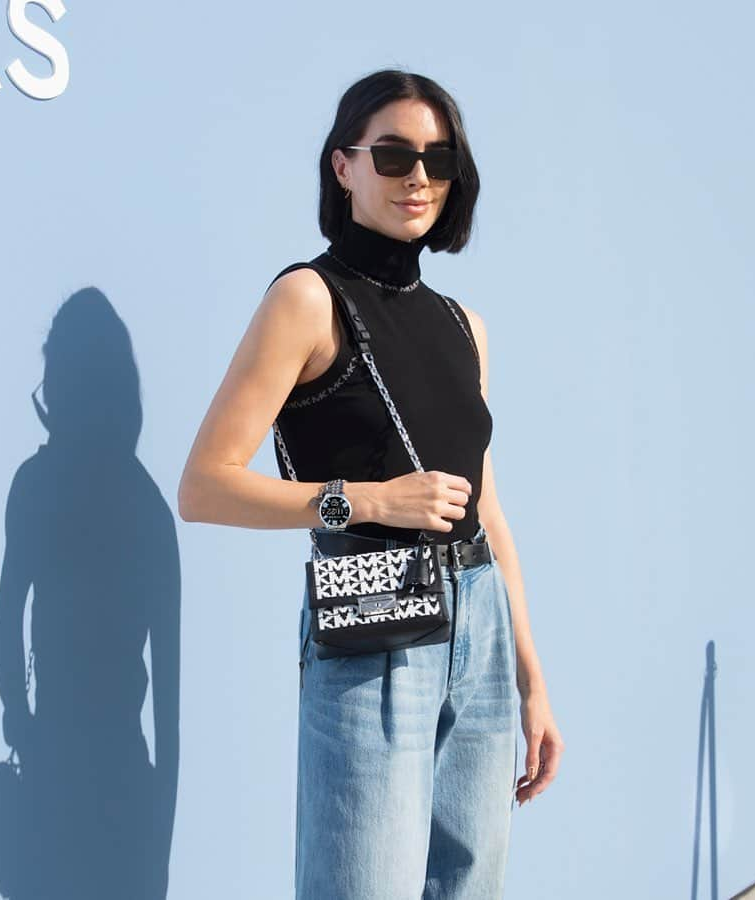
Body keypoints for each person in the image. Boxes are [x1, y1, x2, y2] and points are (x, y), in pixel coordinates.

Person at [178, 68, 564, 899]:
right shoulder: (307, 300)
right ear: (343, 166)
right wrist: (368, 498)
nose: (417, 176)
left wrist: (531, 677)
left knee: (470, 886)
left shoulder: (466, 326)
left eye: (437, 157)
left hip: (482, 626)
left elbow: (486, 507)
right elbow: (203, 487)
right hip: (374, 619)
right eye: (392, 156)